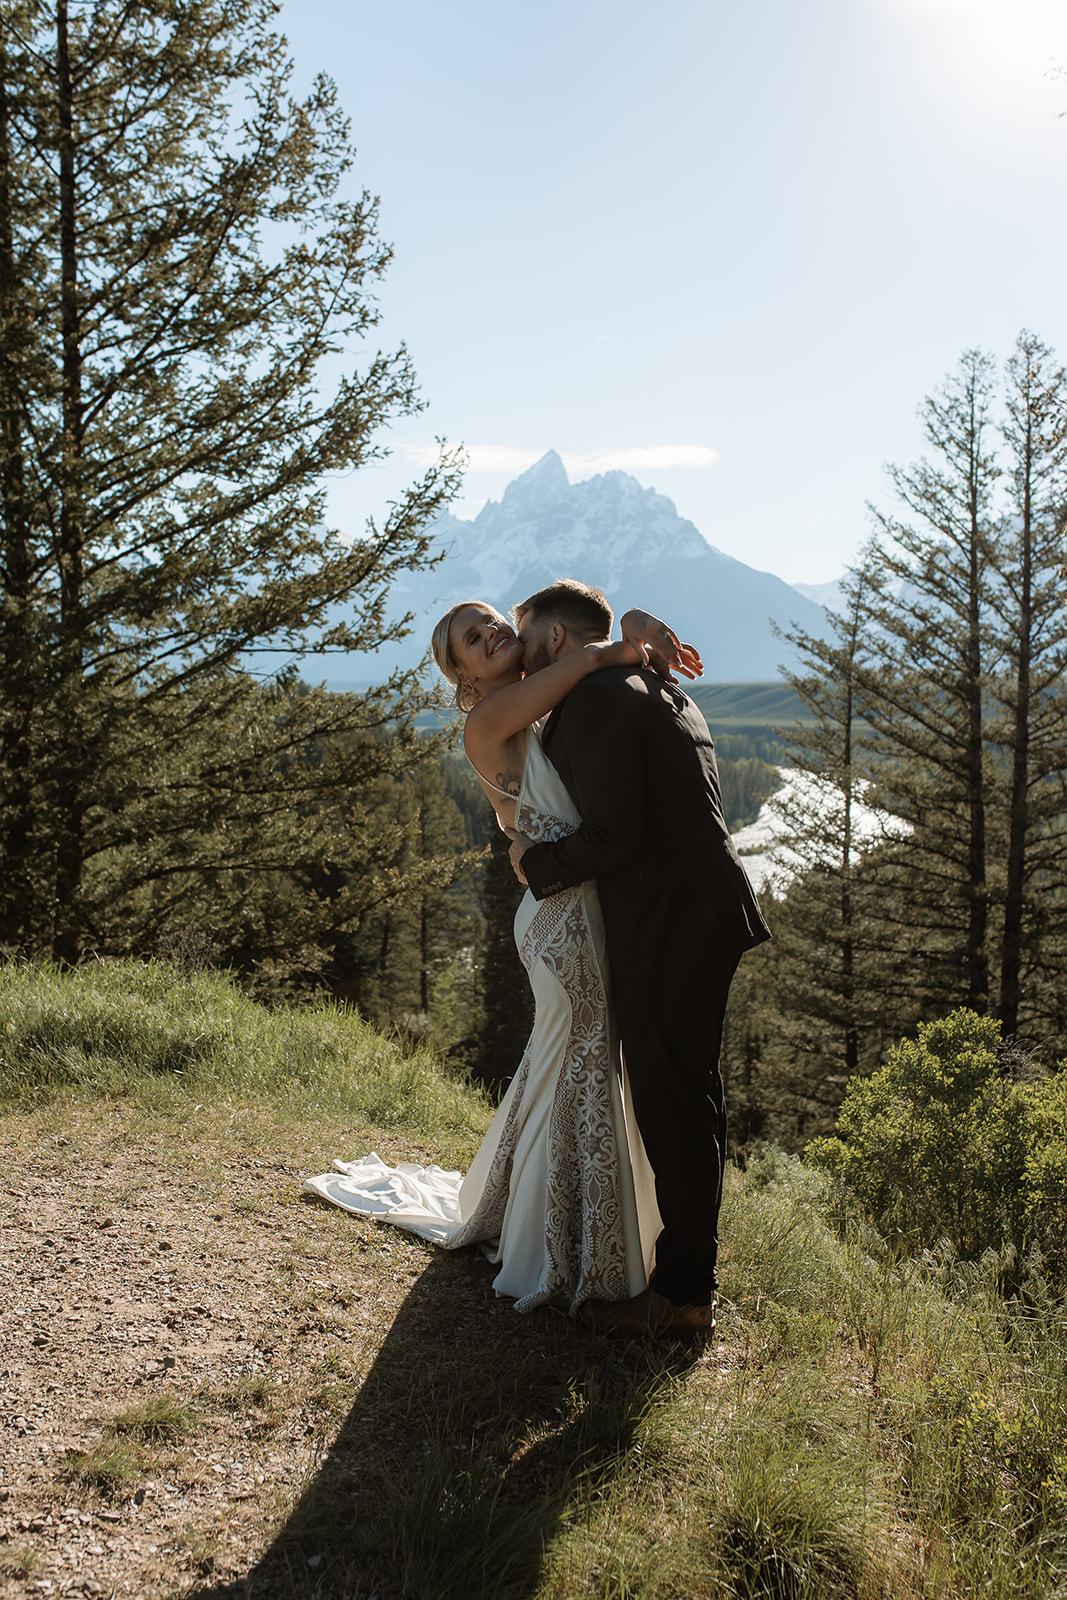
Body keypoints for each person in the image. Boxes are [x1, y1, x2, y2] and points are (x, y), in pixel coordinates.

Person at [304, 597, 702, 1317]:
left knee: (566, 1072)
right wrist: (621, 646)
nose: (490, 633)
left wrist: (637, 624)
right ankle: (564, 1247)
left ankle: (558, 1225)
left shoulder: (536, 707)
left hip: (578, 909)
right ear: (461, 676)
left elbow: (583, 651)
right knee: (576, 1071)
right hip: (560, 922)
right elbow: (584, 653)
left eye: (491, 621)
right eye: (471, 636)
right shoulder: (486, 721)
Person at [508, 579, 771, 1336]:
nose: (521, 655)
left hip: (667, 924)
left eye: (525, 637)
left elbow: (612, 838)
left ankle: (683, 1296)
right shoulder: (654, 684)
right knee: (692, 1098)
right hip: (702, 912)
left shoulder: (591, 703)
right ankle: (685, 1281)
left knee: (674, 1105)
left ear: (556, 640)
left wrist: (535, 863)